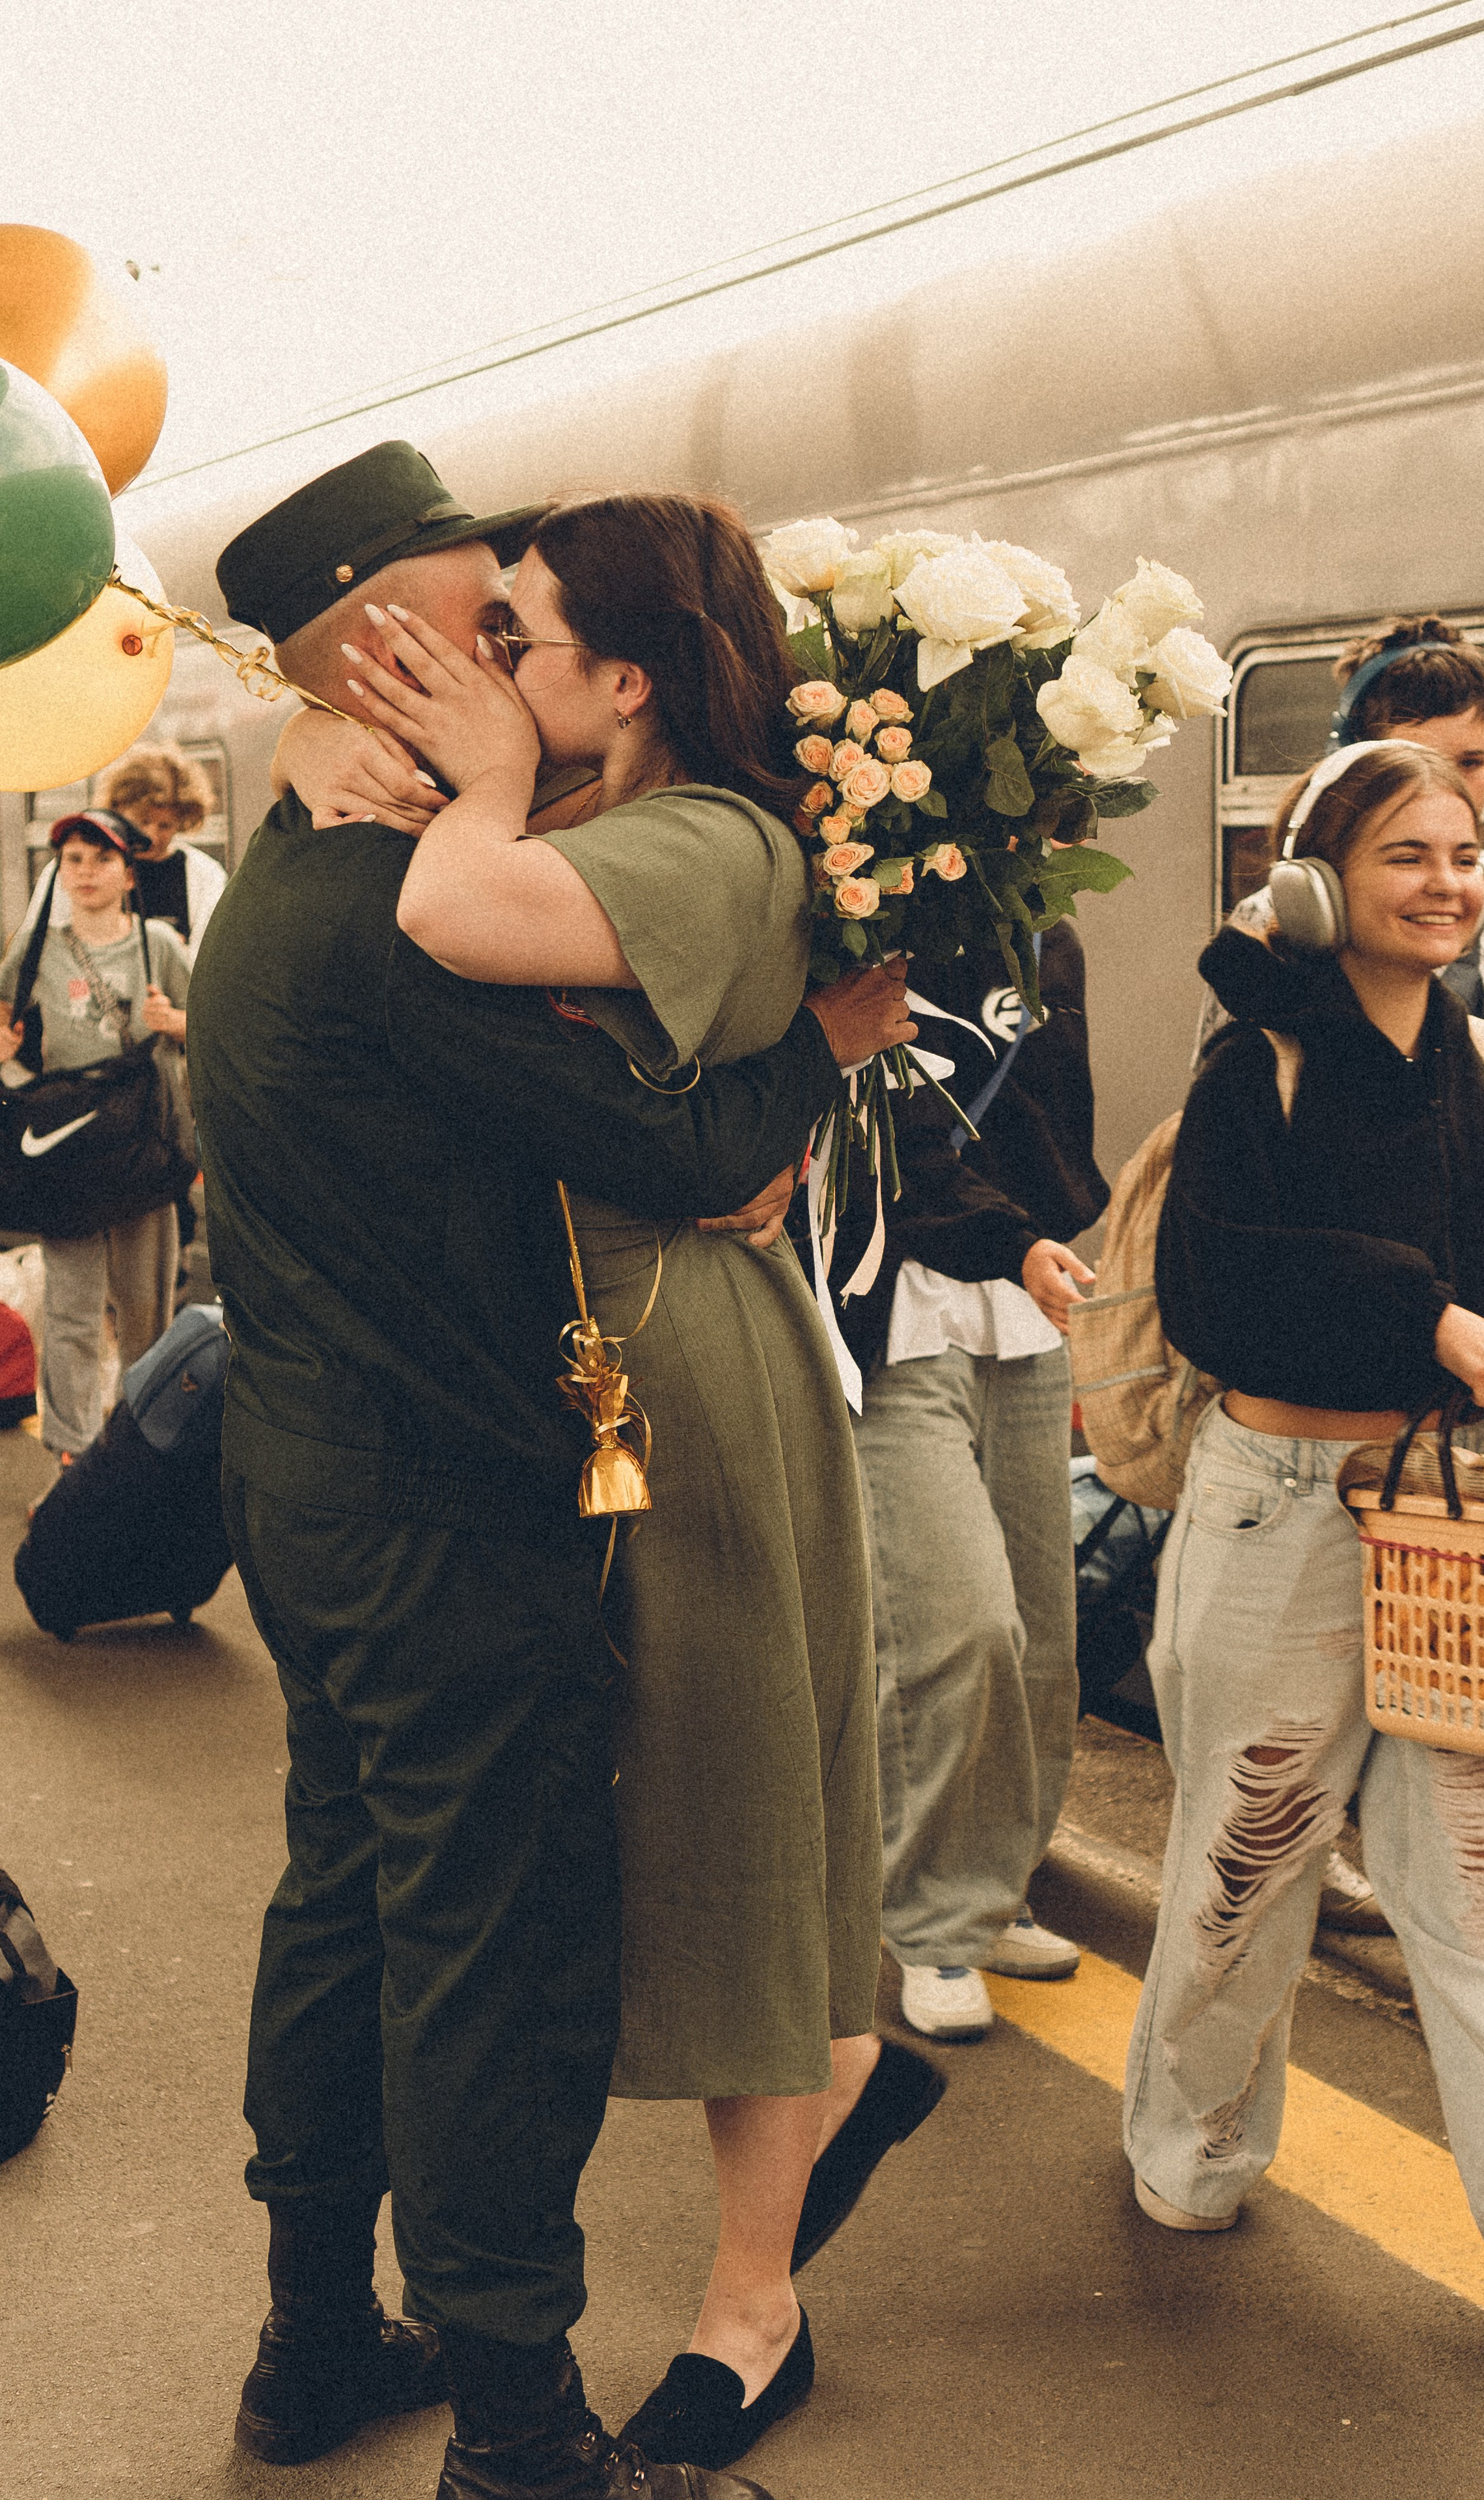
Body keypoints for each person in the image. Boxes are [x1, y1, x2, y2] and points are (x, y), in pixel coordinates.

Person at [197, 441, 913, 2500]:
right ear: (401, 647)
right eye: (481, 622)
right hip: (445, 1510)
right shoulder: (393, 917)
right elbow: (690, 1155)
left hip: (308, 1482)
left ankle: (318, 2330)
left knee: (341, 1900)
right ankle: (521, 2426)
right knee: (480, 1952)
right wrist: (826, 1039)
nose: (510, 646)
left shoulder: (287, 871)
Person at [1126, 737, 1484, 2380]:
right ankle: (1189, 2144)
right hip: (1281, 1500)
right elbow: (1216, 1288)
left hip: (1467, 1521)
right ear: (1317, 887)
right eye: (1402, 858)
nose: (1445, 883)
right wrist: (1415, 1310)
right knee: (1248, 1855)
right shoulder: (1255, 1068)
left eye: (1462, 852)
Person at [812, 926, 1107, 2042]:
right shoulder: (852, 927)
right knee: (955, 1624)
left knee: (1040, 1631)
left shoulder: (1048, 938)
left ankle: (994, 1884)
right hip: (895, 1311)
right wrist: (1012, 1236)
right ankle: (932, 1921)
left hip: (1023, 1309)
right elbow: (884, 1141)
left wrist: (1052, 1234)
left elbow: (1051, 1132)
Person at [1198, 615, 1484, 1138]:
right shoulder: (1277, 913)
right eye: (1419, 761)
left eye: (1471, 762)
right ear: (1357, 767)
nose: (1448, 785)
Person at [0, 811, 190, 1463]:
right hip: (70, 1157)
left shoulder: (157, 945)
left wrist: (178, 1023)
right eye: (72, 859)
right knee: (73, 1317)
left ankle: (139, 1458)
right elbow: (7, 1036)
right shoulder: (32, 954)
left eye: (101, 859)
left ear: (130, 873)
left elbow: (216, 1028)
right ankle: (72, 1467)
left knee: (147, 1315)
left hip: (143, 1150)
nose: (84, 872)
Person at [21, 742, 228, 967]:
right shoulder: (73, 867)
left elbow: (209, 959)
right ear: (117, 811)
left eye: (165, 826)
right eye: (143, 822)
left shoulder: (205, 875)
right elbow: (40, 941)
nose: (152, 836)